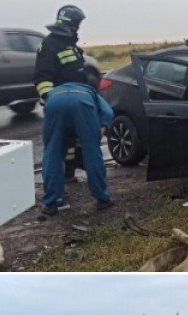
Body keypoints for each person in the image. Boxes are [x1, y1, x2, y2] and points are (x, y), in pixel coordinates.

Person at [34, 5, 114, 218]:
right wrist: (102, 127)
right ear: (72, 24)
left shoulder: (66, 45)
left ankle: (52, 203)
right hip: (80, 99)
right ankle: (102, 198)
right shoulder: (50, 45)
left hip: (56, 102)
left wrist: (50, 103)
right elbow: (42, 78)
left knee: (52, 151)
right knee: (91, 148)